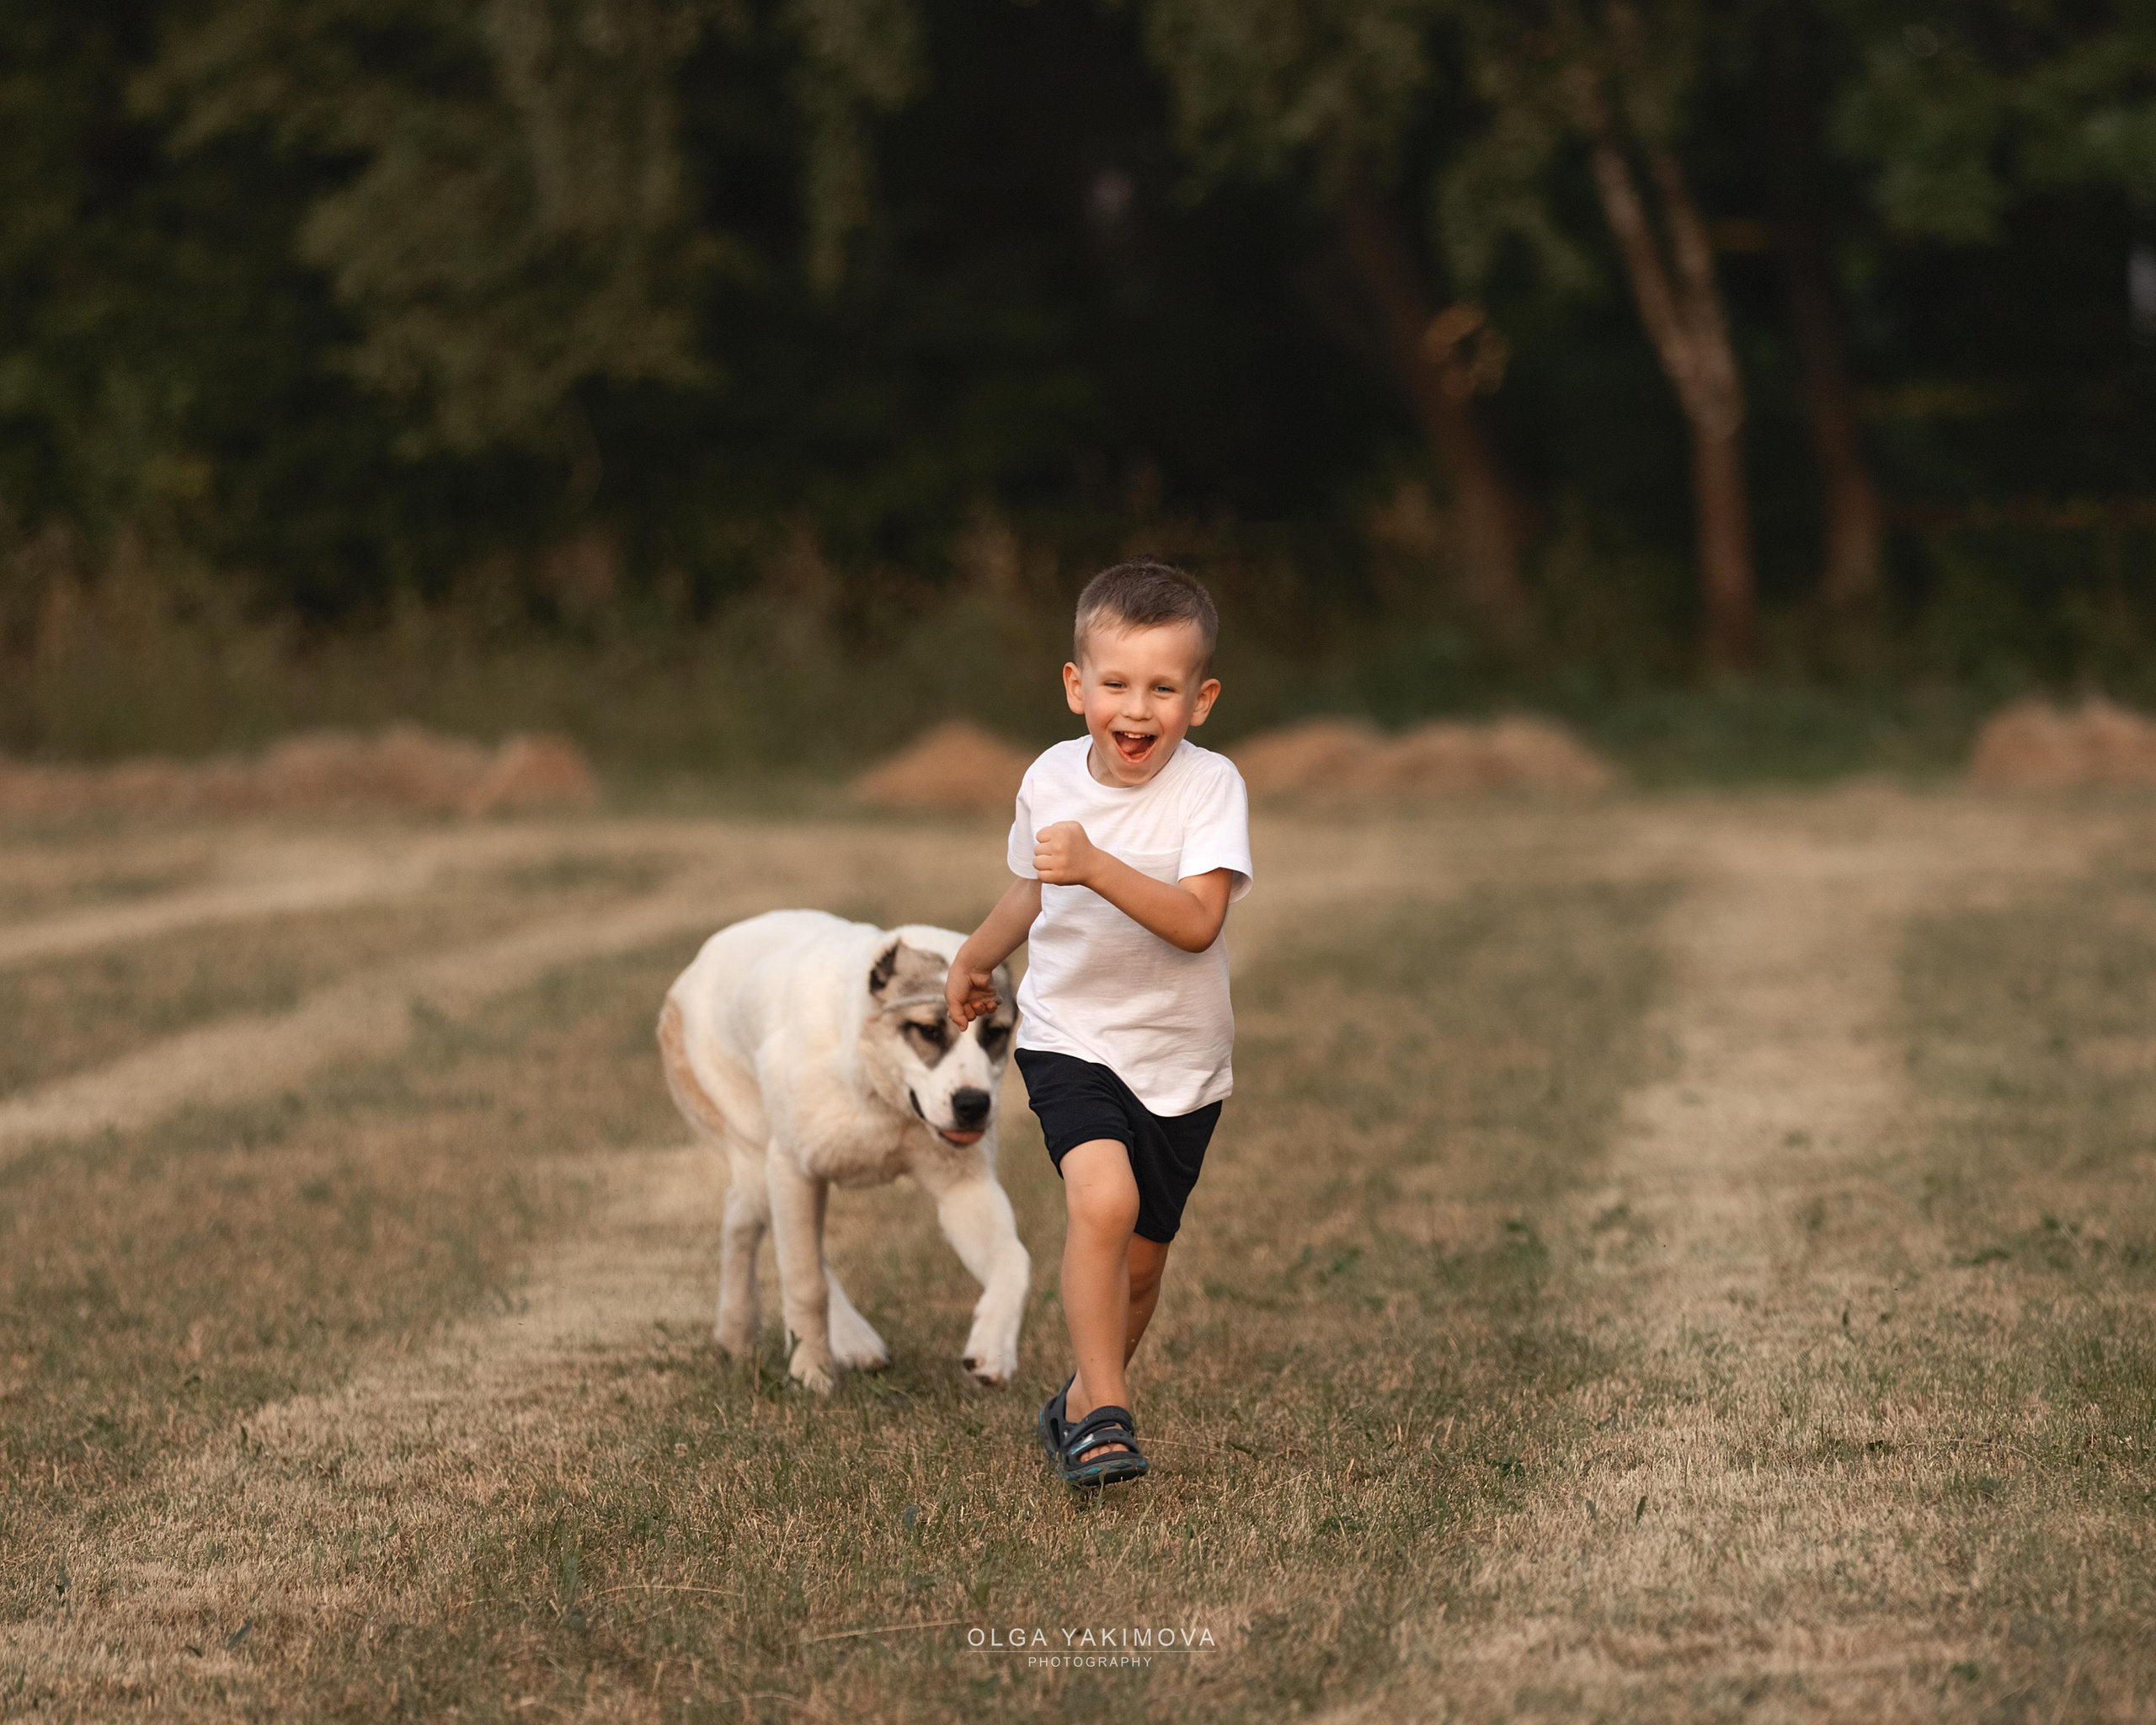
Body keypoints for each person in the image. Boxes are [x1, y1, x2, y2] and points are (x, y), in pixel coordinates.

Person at [944, 559, 1252, 1487]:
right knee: (1103, 1201)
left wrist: (1097, 863)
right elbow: (1034, 888)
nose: (1137, 707)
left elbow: (1197, 923)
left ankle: (1078, 1400)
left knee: (1143, 1268)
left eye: (1163, 688)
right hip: (1068, 1034)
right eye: (1115, 682)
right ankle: (1109, 1416)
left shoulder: (1210, 787)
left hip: (1182, 1060)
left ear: (1199, 701)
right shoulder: (1048, 777)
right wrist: (975, 956)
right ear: (1077, 685)